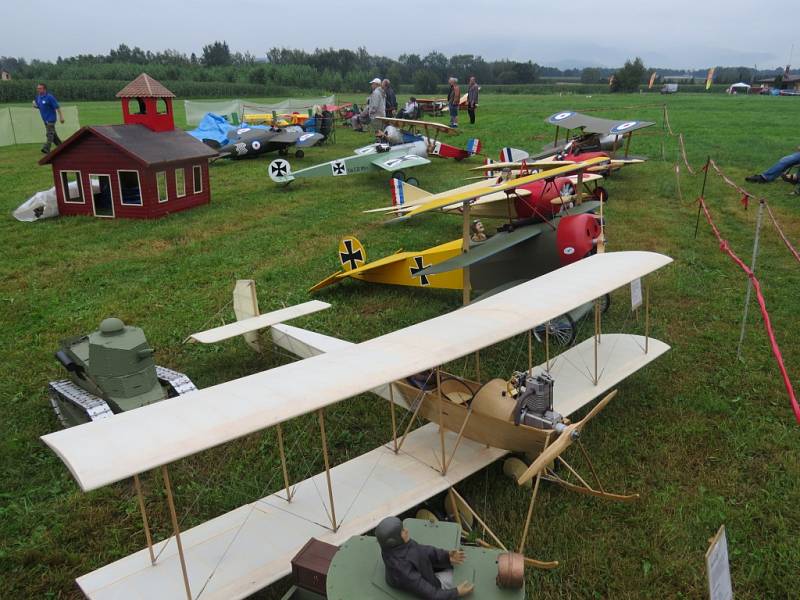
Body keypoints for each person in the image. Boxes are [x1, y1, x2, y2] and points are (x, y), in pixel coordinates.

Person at [376, 516, 474, 600]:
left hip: (421, 571)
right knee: (459, 578)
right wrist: (456, 592)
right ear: (394, 540)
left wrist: (446, 556)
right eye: (402, 531)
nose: (406, 531)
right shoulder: (402, 569)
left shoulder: (398, 546)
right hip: (426, 581)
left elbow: (421, 551)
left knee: (454, 566)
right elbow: (432, 594)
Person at [33, 83, 64, 153]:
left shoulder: (50, 97)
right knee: (53, 135)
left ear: (44, 89)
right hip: (45, 119)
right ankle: (62, 146)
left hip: (51, 119)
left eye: (40, 88)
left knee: (49, 134)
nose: (38, 90)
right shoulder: (38, 97)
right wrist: (35, 106)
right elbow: (40, 106)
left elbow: (57, 107)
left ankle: (46, 148)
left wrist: (61, 117)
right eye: (37, 88)